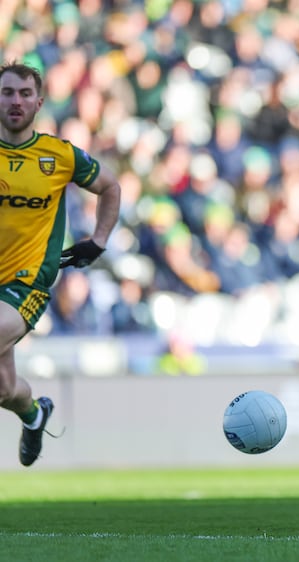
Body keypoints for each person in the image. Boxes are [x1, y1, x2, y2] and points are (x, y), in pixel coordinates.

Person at [0, 62, 121, 467]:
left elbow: (109, 186)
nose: (15, 101)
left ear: (38, 102)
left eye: (23, 94)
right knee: (4, 389)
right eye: (6, 92)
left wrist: (99, 240)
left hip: (26, 283)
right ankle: (34, 415)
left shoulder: (59, 155)